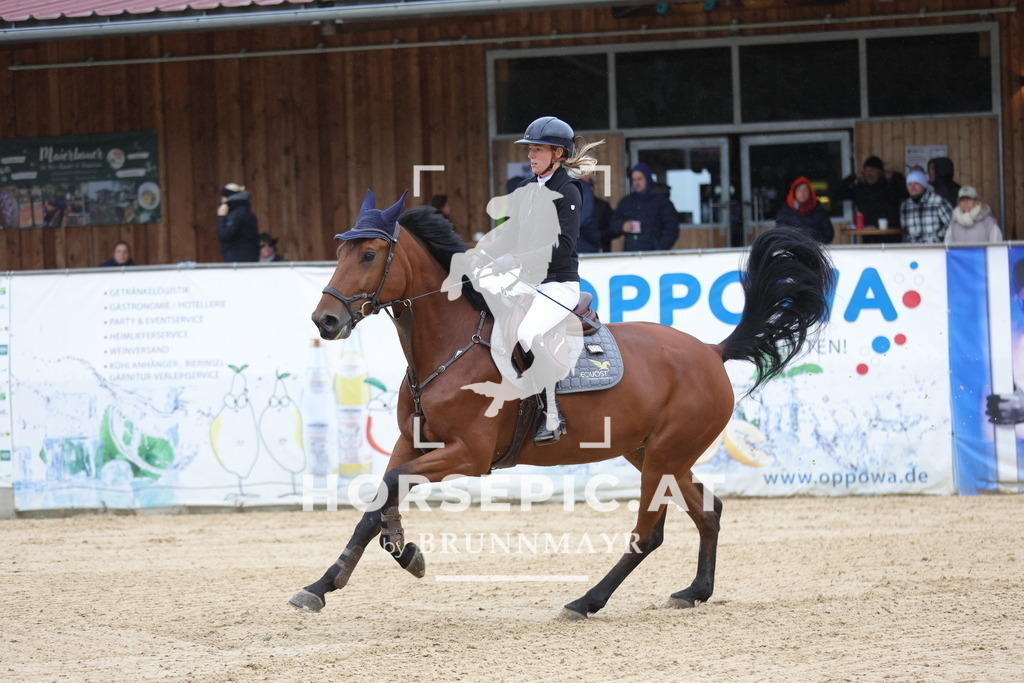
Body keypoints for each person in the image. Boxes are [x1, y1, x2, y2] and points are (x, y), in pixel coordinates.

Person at [834, 156, 907, 242]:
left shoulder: (890, 187)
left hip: (891, 236)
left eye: (872, 170)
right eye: (866, 170)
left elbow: (907, 192)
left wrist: (895, 176)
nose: (869, 174)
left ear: (880, 172)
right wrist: (852, 177)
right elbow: (836, 194)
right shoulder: (859, 189)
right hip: (869, 237)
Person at [610, 162, 679, 252]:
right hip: (631, 254)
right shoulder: (626, 202)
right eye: (634, 180)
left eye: (639, 179)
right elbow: (613, 224)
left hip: (653, 256)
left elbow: (671, 228)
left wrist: (659, 249)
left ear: (647, 179)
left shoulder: (661, 202)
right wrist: (622, 225)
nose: (636, 183)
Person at [773, 177, 835, 244]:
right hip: (792, 248)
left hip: (815, 249)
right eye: (799, 190)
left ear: (810, 192)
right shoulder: (784, 211)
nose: (802, 193)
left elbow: (828, 234)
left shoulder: (819, 211)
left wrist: (812, 241)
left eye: (805, 190)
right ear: (794, 192)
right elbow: (781, 232)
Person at [900, 170, 952, 243]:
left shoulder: (938, 201)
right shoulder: (905, 206)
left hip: (935, 248)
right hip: (913, 250)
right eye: (909, 184)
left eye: (916, 184)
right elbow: (905, 230)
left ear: (924, 185)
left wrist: (937, 237)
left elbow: (951, 224)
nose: (912, 187)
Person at [216, 183, 259, 262]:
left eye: (223, 197)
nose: (221, 200)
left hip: (238, 262)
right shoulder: (245, 212)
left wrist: (221, 217)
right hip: (248, 258)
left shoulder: (236, 215)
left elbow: (224, 235)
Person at [577, 173, 613, 254]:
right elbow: (586, 223)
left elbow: (612, 229)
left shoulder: (563, 187)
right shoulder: (583, 191)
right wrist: (598, 243)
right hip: (586, 248)